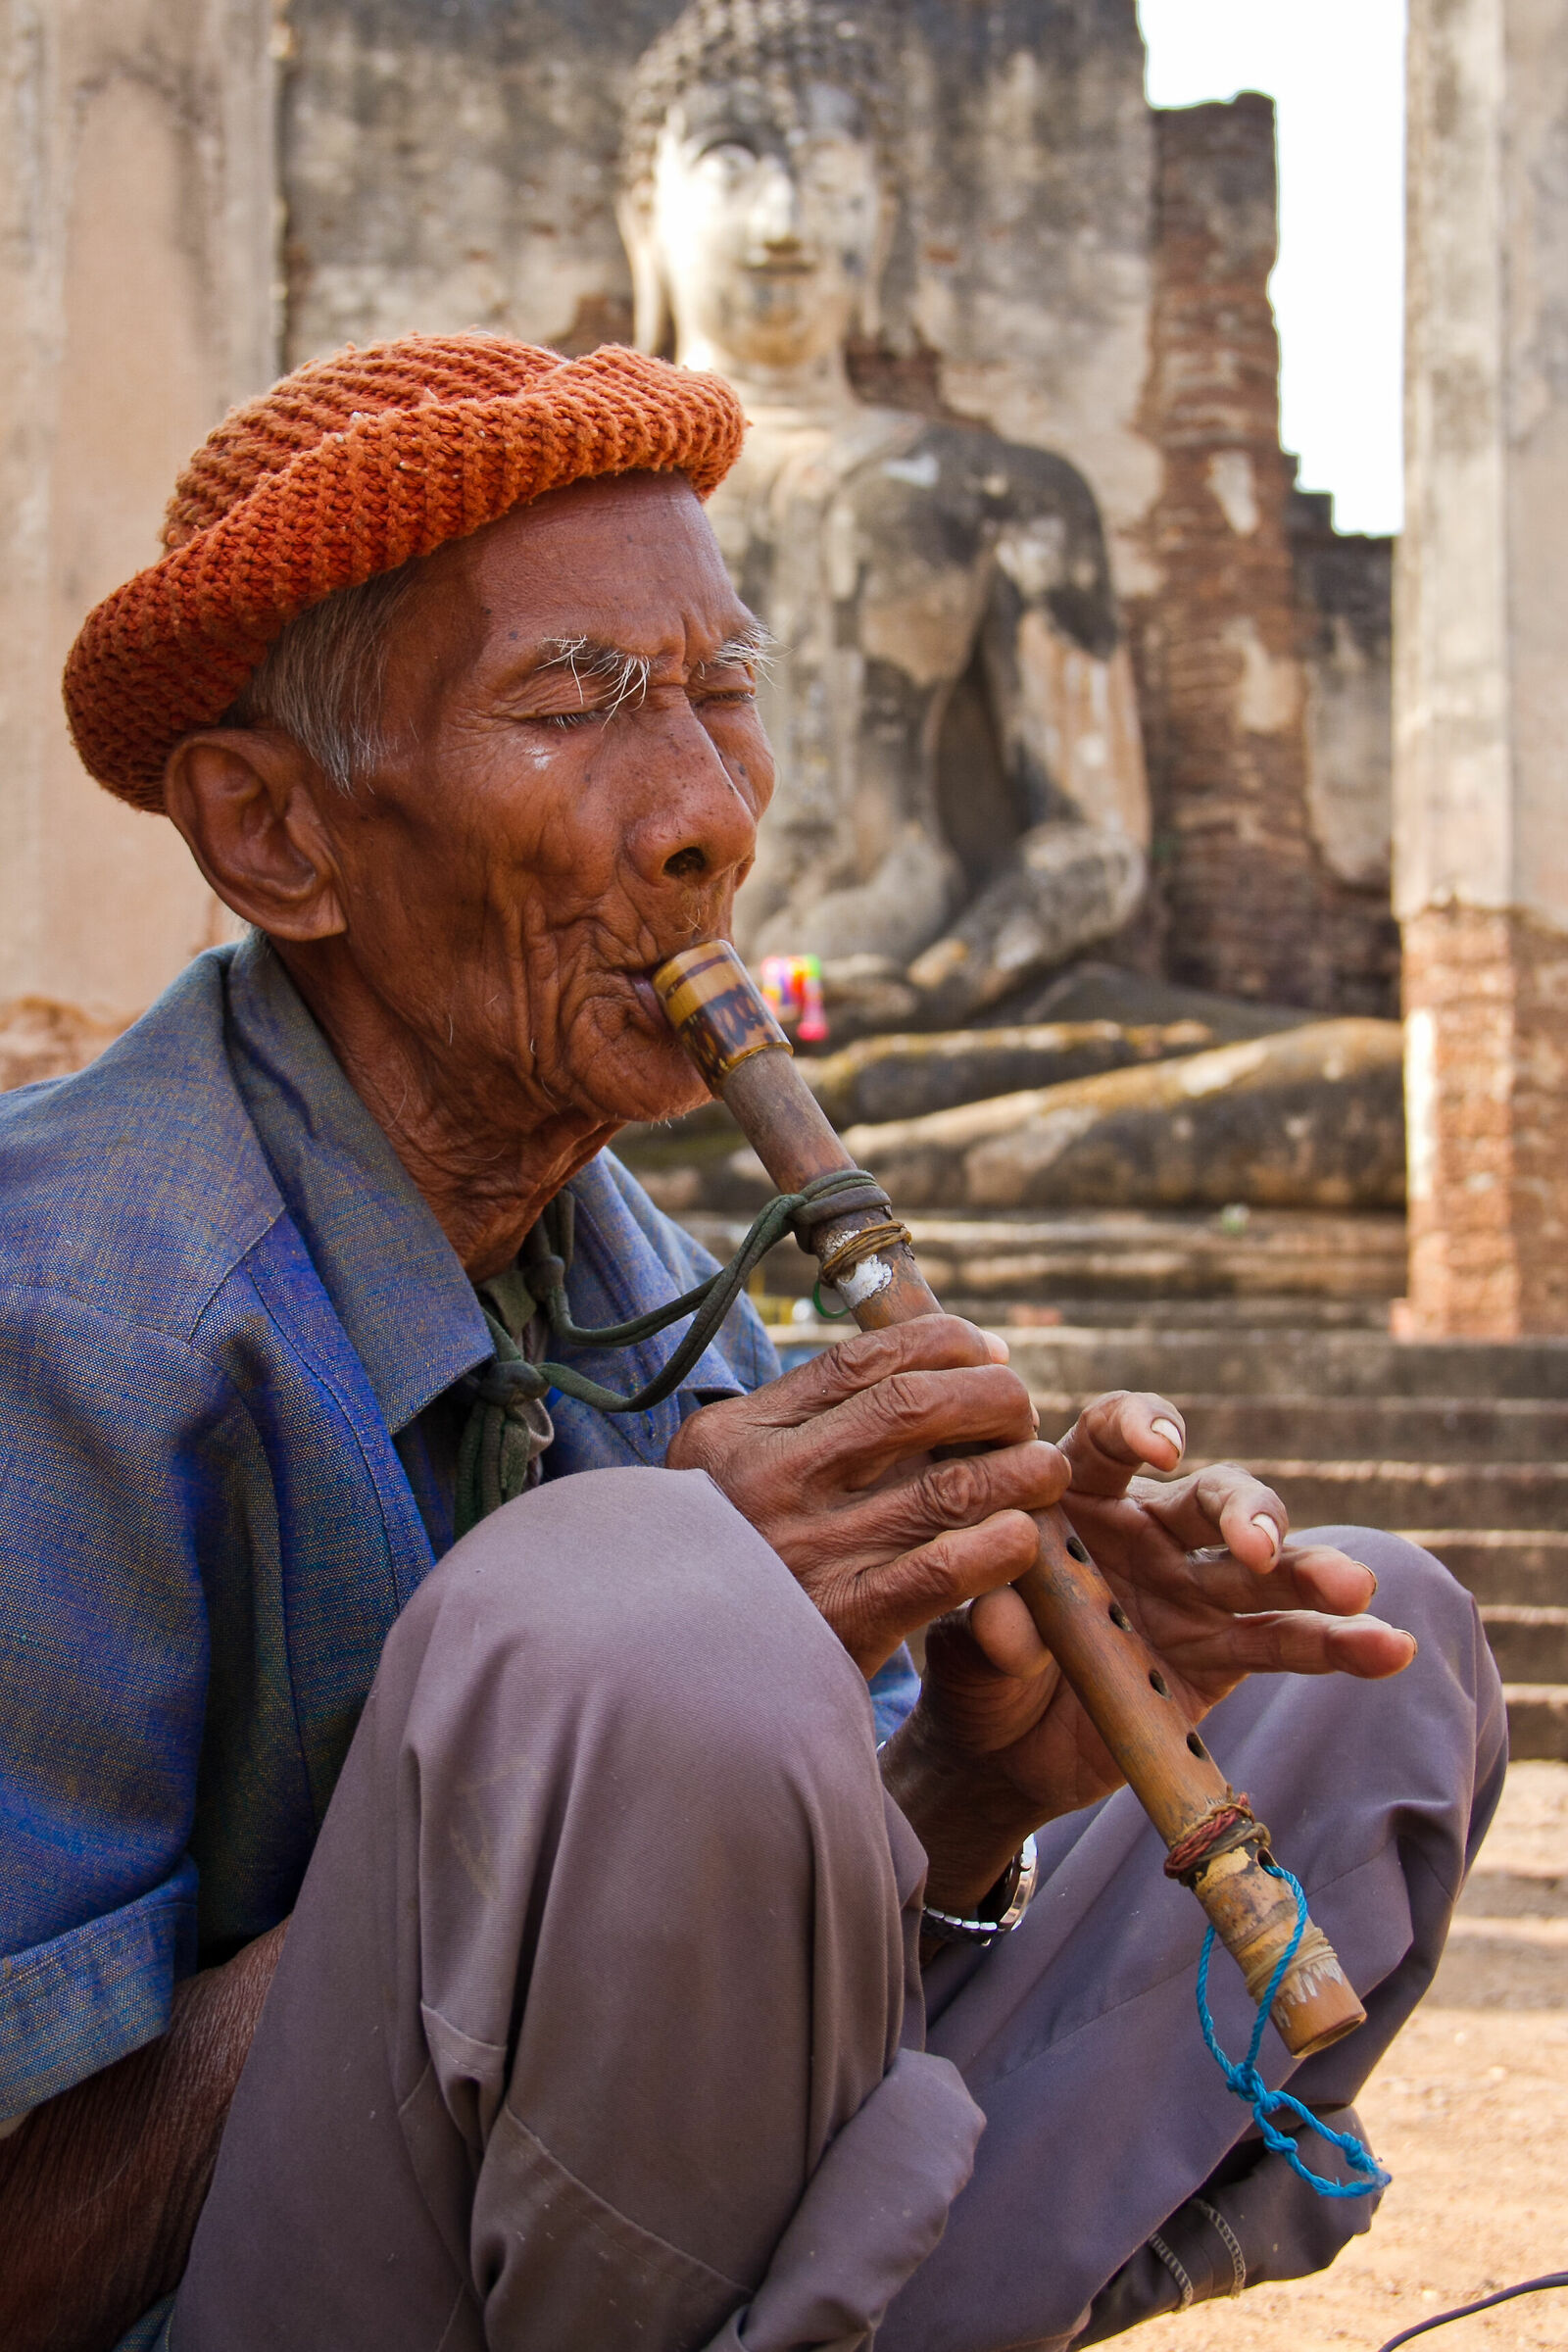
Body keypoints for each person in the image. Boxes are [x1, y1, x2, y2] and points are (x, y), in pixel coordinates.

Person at [0, 333, 1501, 2352]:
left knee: (1358, 1666)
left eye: (724, 695)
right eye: (571, 706)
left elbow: (667, 1974)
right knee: (632, 1612)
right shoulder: (75, 1315)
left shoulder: (636, 1276)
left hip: (595, 2242)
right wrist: (564, 1765)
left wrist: (973, 1787)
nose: (709, 812)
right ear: (276, 833)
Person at [617, 0, 1149, 1027]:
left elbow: (1097, 848)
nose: (784, 225)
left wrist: (932, 984)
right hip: (655, 1019)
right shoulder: (581, 500)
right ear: (645, 216)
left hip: (921, 1020)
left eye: (827, 180)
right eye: (732, 169)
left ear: (885, 215)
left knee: (1345, 1083)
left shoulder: (1006, 494)